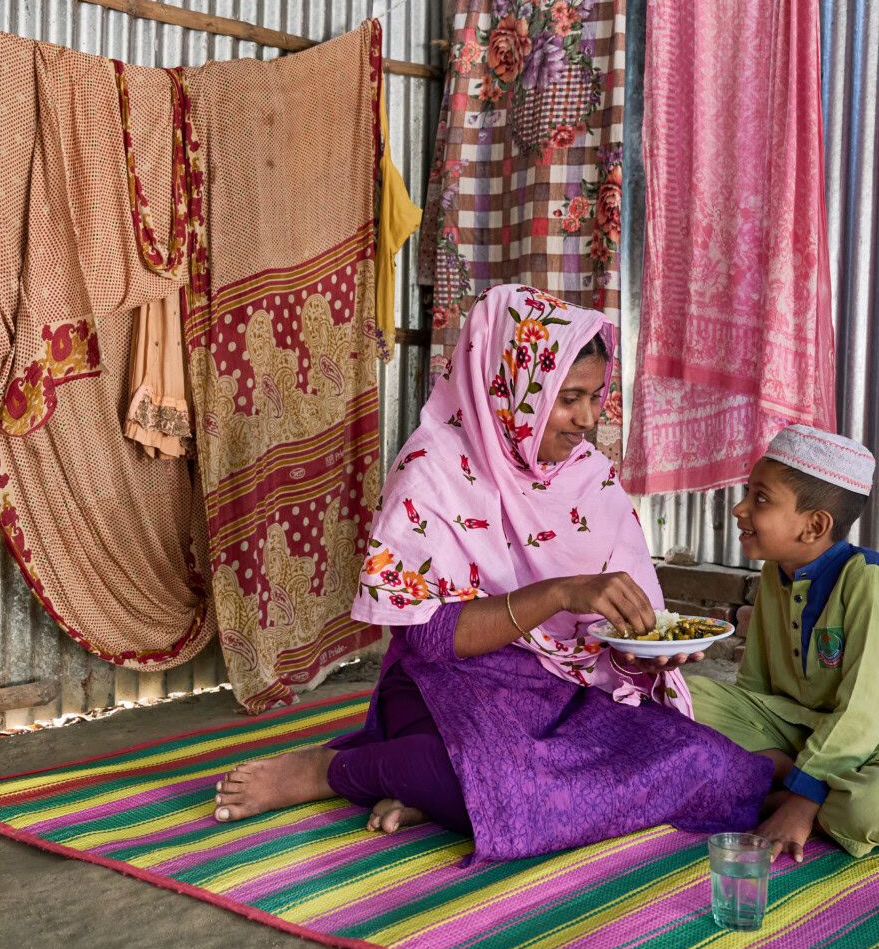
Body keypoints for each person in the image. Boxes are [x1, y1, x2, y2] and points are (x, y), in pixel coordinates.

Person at [212, 285, 773, 861]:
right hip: (453, 688)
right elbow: (428, 640)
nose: (588, 419)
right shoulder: (434, 471)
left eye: (594, 396)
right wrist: (558, 592)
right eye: (568, 397)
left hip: (567, 693)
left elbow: (614, 633)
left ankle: (434, 790)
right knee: (513, 788)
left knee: (717, 769)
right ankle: (339, 770)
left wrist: (645, 652)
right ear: (514, 390)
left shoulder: (593, 478)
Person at [690, 425, 879, 863]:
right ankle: (804, 781)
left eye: (760, 498)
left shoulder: (867, 581)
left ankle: (794, 794)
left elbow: (862, 715)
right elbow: (755, 690)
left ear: (815, 525)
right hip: (798, 728)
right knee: (685, 696)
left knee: (865, 811)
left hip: (869, 740)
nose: (740, 508)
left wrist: (801, 800)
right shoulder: (773, 577)